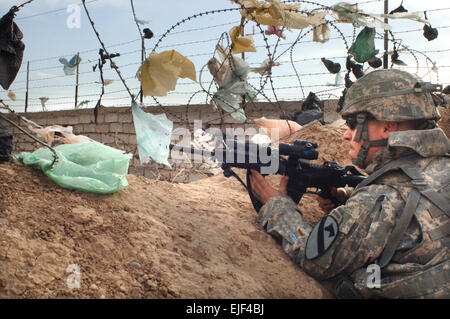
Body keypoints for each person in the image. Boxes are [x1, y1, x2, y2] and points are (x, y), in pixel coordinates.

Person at [248, 69, 449, 298]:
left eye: (353, 123)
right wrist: (347, 198)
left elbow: (315, 258)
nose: (346, 134)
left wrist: (277, 206)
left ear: (387, 127)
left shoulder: (379, 199)